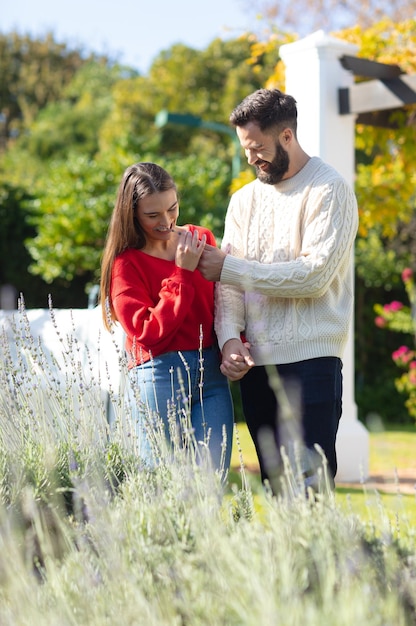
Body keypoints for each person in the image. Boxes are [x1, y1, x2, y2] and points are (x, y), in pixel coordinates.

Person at [198, 88, 359, 492]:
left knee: (309, 493)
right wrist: (230, 338)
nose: (251, 158)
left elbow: (313, 275)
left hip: (312, 363)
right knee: (277, 490)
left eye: (258, 148)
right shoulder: (243, 201)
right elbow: (229, 286)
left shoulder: (329, 190)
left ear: (287, 136)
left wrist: (229, 267)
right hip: (258, 369)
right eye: (246, 148)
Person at [100, 162, 234, 477]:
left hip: (210, 374)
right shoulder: (126, 264)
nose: (166, 221)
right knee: (162, 487)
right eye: (153, 215)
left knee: (212, 483)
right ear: (132, 214)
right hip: (158, 376)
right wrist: (182, 272)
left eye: (172, 209)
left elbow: (223, 301)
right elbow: (148, 332)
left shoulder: (200, 238)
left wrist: (234, 344)